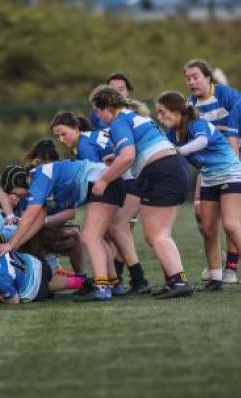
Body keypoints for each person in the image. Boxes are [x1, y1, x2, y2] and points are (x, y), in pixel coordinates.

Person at [89, 85, 192, 299]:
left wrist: (104, 180)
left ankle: (179, 282)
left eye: (99, 110)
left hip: (161, 172)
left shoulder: (119, 121)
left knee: (157, 234)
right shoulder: (133, 115)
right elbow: (138, 149)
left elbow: (127, 156)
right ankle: (176, 280)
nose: (98, 115)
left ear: (108, 106)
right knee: (159, 233)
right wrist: (115, 158)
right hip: (173, 167)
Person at [0, 159, 126, 301]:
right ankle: (114, 283)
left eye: (15, 193)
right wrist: (16, 245)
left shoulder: (39, 180)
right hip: (109, 182)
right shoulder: (37, 177)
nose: (17, 197)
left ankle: (102, 288)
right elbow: (38, 221)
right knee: (96, 237)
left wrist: (10, 244)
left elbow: (29, 217)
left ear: (18, 183)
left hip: (104, 183)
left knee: (90, 237)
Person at [51, 111, 150, 294]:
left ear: (76, 128)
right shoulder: (89, 138)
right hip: (125, 180)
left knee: (102, 233)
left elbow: (96, 173)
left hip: (126, 181)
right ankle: (118, 282)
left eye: (63, 134)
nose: (61, 139)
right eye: (57, 137)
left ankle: (116, 283)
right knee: (103, 233)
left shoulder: (84, 143)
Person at [157, 91, 241, 291]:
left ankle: (230, 270)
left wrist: (178, 151)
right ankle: (216, 278)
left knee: (230, 225)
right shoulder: (171, 133)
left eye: (163, 112)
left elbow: (202, 142)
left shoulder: (198, 123)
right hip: (209, 178)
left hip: (231, 174)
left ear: (177, 111)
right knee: (208, 230)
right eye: (158, 114)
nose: (160, 118)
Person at [184, 58, 241, 283]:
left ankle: (231, 269)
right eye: (187, 78)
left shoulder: (227, 95)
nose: (191, 82)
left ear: (208, 77)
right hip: (209, 166)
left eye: (196, 77)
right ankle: (218, 260)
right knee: (200, 214)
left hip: (233, 162)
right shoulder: (190, 105)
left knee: (231, 220)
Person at [0, 247, 85, 304]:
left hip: (35, 288)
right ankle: (84, 282)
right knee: (49, 283)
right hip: (39, 263)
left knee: (45, 287)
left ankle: (82, 282)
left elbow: (14, 301)